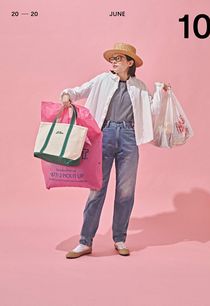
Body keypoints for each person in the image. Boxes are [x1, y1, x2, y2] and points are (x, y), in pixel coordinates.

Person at [60, 42, 169, 259]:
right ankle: (85, 241)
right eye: (113, 58)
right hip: (104, 134)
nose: (114, 61)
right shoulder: (102, 80)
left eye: (119, 58)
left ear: (130, 63)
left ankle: (119, 238)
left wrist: (162, 92)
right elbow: (78, 90)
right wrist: (66, 95)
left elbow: (153, 110)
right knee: (96, 189)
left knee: (125, 192)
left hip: (129, 137)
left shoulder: (138, 86)